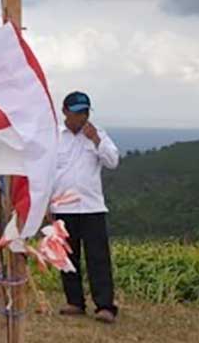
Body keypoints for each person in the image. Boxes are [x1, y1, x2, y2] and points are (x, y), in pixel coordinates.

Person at [50, 91, 120, 324]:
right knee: (67, 257)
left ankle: (105, 305)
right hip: (62, 207)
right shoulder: (55, 137)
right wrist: (46, 204)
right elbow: (47, 171)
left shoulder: (98, 134)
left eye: (85, 112)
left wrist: (96, 140)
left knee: (98, 257)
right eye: (78, 112)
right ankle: (75, 302)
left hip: (91, 207)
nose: (82, 117)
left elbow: (112, 161)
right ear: (65, 112)